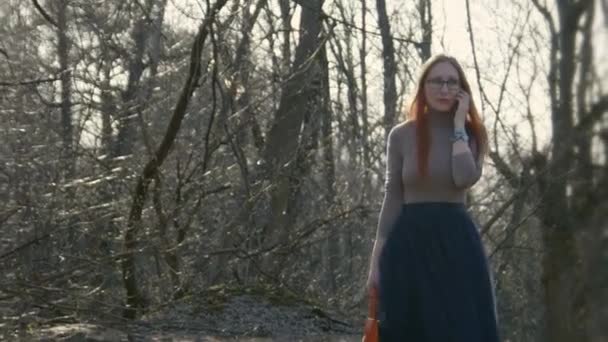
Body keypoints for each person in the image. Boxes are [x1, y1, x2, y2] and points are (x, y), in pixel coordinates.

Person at [366, 54, 500, 341]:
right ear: (423, 87)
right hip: (407, 244)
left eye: (452, 82)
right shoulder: (401, 135)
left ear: (461, 89)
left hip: (456, 245)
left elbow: (464, 178)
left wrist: (457, 129)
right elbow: (392, 196)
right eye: (436, 81)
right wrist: (376, 258)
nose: (444, 88)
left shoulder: (472, 133)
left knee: (458, 330)